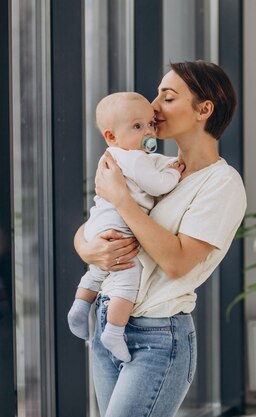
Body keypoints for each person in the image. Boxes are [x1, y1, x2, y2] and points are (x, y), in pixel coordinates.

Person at [73, 61, 247, 417]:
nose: (153, 107)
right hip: (109, 320)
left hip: (158, 337)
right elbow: (98, 216)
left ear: (204, 110)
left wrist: (123, 198)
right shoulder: (152, 166)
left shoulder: (222, 184)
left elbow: (177, 261)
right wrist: (89, 248)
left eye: (167, 97)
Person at [67, 92, 184, 363]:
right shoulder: (134, 158)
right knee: (130, 273)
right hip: (119, 225)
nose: (148, 131)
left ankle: (80, 306)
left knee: (99, 270)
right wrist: (175, 173)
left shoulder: (115, 155)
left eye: (150, 124)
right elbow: (158, 184)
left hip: (99, 223)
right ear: (111, 136)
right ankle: (114, 331)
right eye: (137, 126)